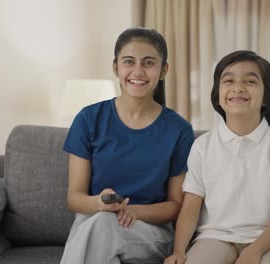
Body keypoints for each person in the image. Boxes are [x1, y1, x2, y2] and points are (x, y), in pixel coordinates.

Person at [60, 27, 195, 264]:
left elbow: (176, 205)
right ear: (116, 67)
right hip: (93, 221)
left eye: (149, 63)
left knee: (102, 227)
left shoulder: (179, 130)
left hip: (150, 229)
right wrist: (98, 203)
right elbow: (75, 197)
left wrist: (130, 211)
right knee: (101, 228)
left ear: (164, 70)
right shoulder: (88, 119)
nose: (138, 71)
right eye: (129, 62)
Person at [164, 50, 270, 264]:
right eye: (228, 80)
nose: (238, 88)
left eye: (250, 81)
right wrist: (179, 251)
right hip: (214, 237)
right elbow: (191, 208)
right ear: (218, 95)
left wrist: (255, 251)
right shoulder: (202, 146)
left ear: (267, 95)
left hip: (267, 240)